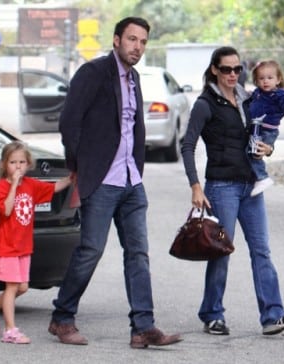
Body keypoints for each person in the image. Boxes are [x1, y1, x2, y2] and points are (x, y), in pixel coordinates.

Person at [48, 16, 182, 349]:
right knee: (90, 250)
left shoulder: (135, 77)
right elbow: (69, 122)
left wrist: (136, 167)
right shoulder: (93, 73)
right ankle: (62, 318)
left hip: (132, 181)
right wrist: (81, 166)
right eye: (132, 39)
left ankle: (143, 327)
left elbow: (132, 127)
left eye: (143, 42)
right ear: (116, 40)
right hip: (103, 180)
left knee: (138, 254)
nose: (137, 47)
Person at [181, 46, 284, 336]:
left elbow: (263, 131)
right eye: (226, 69)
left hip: (252, 186)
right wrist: (195, 186)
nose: (233, 74)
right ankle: (212, 314)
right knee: (221, 251)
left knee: (262, 250)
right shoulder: (205, 104)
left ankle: (273, 316)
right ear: (215, 70)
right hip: (222, 187)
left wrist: (269, 149)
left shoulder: (248, 99)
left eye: (238, 69)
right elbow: (187, 146)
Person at [0, 141, 72, 344]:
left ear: (28, 164)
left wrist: (72, 177)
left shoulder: (30, 185)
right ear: (4, 165)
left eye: (22, 162)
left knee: (22, 287)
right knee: (12, 287)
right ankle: (10, 331)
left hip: (23, 246)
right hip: (6, 245)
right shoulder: (2, 187)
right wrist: (13, 185)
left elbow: (54, 187)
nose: (18, 166)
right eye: (13, 162)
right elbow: (7, 210)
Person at [248, 60, 284, 196]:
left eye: (270, 78)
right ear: (256, 81)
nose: (265, 81)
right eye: (261, 78)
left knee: (254, 153)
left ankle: (262, 178)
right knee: (251, 151)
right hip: (257, 128)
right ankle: (258, 177)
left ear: (278, 80)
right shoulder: (258, 93)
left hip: (268, 130)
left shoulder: (279, 94)